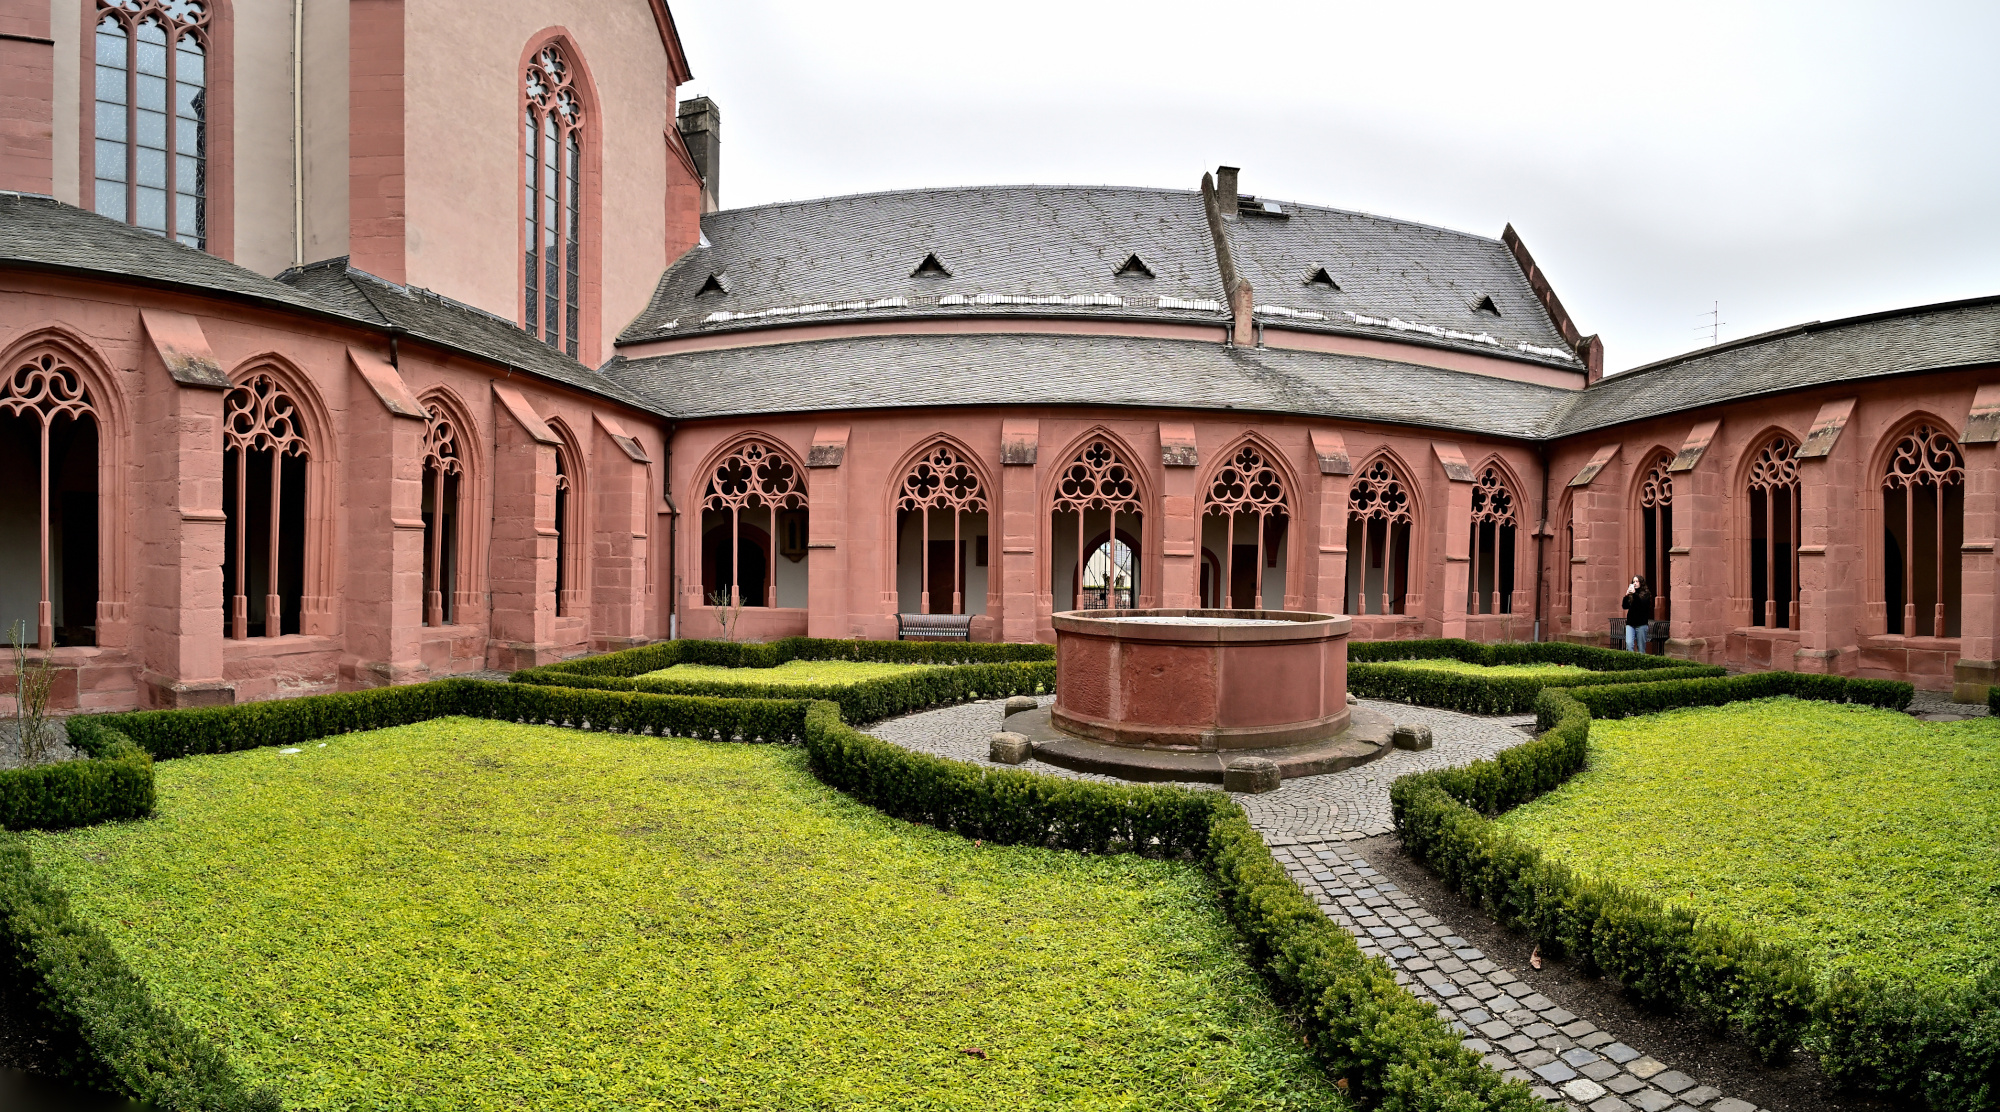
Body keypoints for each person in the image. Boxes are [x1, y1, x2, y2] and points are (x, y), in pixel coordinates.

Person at [1622, 576, 1654, 653]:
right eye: (1633, 582)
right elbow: (1625, 606)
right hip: (1630, 623)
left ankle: (1641, 660)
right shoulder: (1632, 594)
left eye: (1637, 581)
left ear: (1641, 583)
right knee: (1629, 644)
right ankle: (1631, 660)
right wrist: (1626, 596)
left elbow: (1641, 605)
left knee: (1641, 647)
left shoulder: (1646, 594)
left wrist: (1634, 594)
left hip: (1641, 624)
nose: (1635, 583)